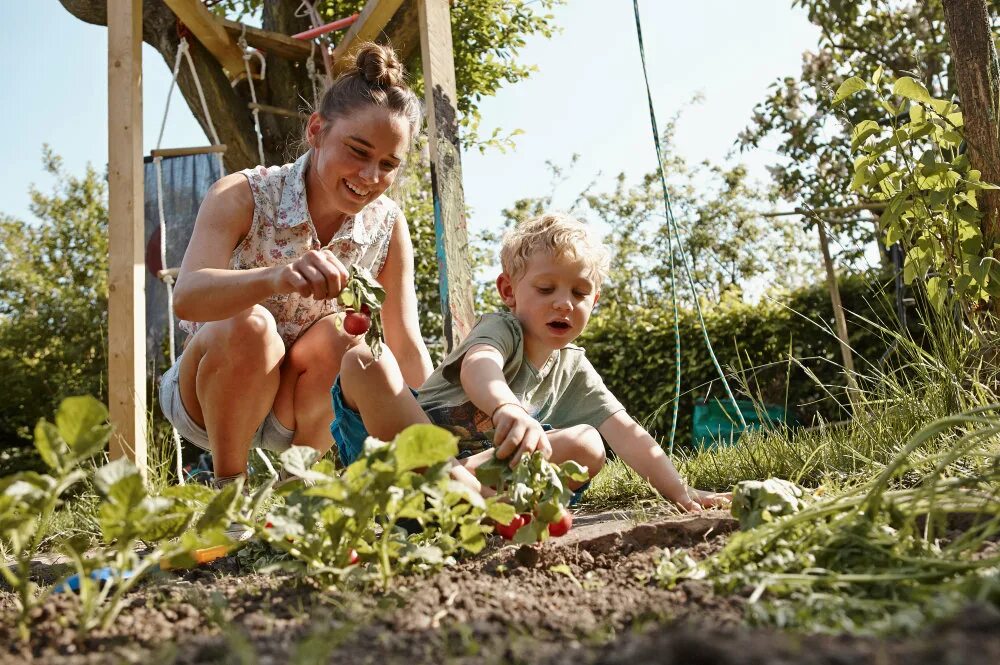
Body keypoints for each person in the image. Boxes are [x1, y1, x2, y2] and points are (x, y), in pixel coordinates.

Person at [159, 43, 432, 487]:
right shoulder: (243, 194)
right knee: (251, 326)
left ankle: (297, 481)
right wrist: (276, 276)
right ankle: (230, 491)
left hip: (298, 407)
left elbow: (404, 344)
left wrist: (441, 428)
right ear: (316, 130)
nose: (370, 176)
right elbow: (187, 298)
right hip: (209, 397)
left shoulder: (387, 226)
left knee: (349, 332)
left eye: (388, 164)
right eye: (358, 151)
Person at [332, 213, 730, 511]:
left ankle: (469, 499)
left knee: (589, 443)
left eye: (579, 292)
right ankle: (455, 490)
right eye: (546, 288)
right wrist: (506, 407)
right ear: (509, 290)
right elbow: (478, 366)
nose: (563, 302)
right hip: (398, 455)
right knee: (367, 360)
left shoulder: (573, 368)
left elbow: (625, 431)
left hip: (473, 475)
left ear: (594, 302)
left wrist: (681, 491)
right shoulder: (502, 329)